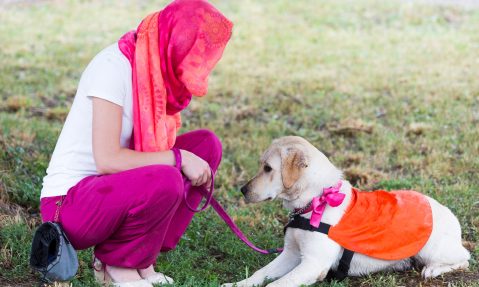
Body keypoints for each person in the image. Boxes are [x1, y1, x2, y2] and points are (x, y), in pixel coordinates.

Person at [38, 0, 233, 286]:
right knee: (167, 174)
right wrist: (178, 158)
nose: (198, 64)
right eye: (194, 53)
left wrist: (181, 157)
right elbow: (108, 159)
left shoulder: (157, 69)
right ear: (176, 41)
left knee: (205, 146)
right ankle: (118, 264)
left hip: (113, 190)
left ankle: (143, 256)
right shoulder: (113, 67)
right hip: (69, 205)